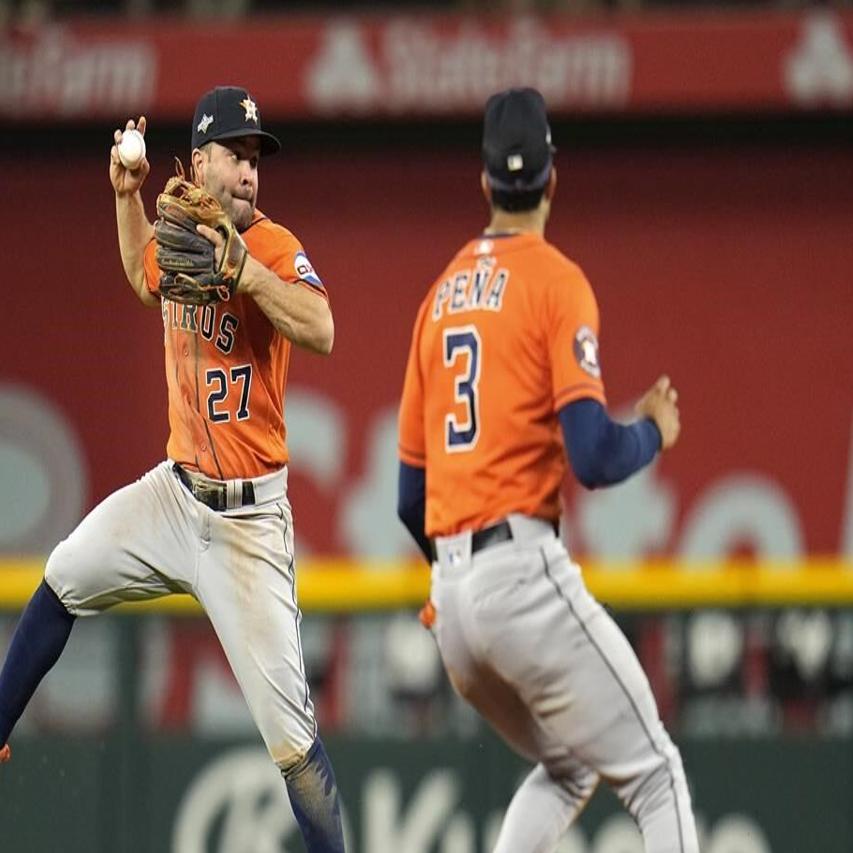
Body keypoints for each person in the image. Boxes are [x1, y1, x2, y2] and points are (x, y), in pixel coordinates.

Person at [0, 85, 346, 852]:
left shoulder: (276, 246)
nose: (251, 171)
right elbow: (141, 276)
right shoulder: (183, 225)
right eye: (236, 154)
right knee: (60, 579)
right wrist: (128, 197)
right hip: (174, 492)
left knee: (294, 749)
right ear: (199, 161)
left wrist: (247, 274)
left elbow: (320, 327)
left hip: (249, 521)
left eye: (257, 157)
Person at [397, 87, 700, 853]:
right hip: (519, 573)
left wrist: (457, 576)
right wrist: (654, 433)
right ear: (552, 179)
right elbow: (593, 455)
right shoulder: (556, 281)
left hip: (453, 605)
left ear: (483, 182)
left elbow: (409, 499)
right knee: (656, 773)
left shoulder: (436, 301)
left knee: (567, 763)